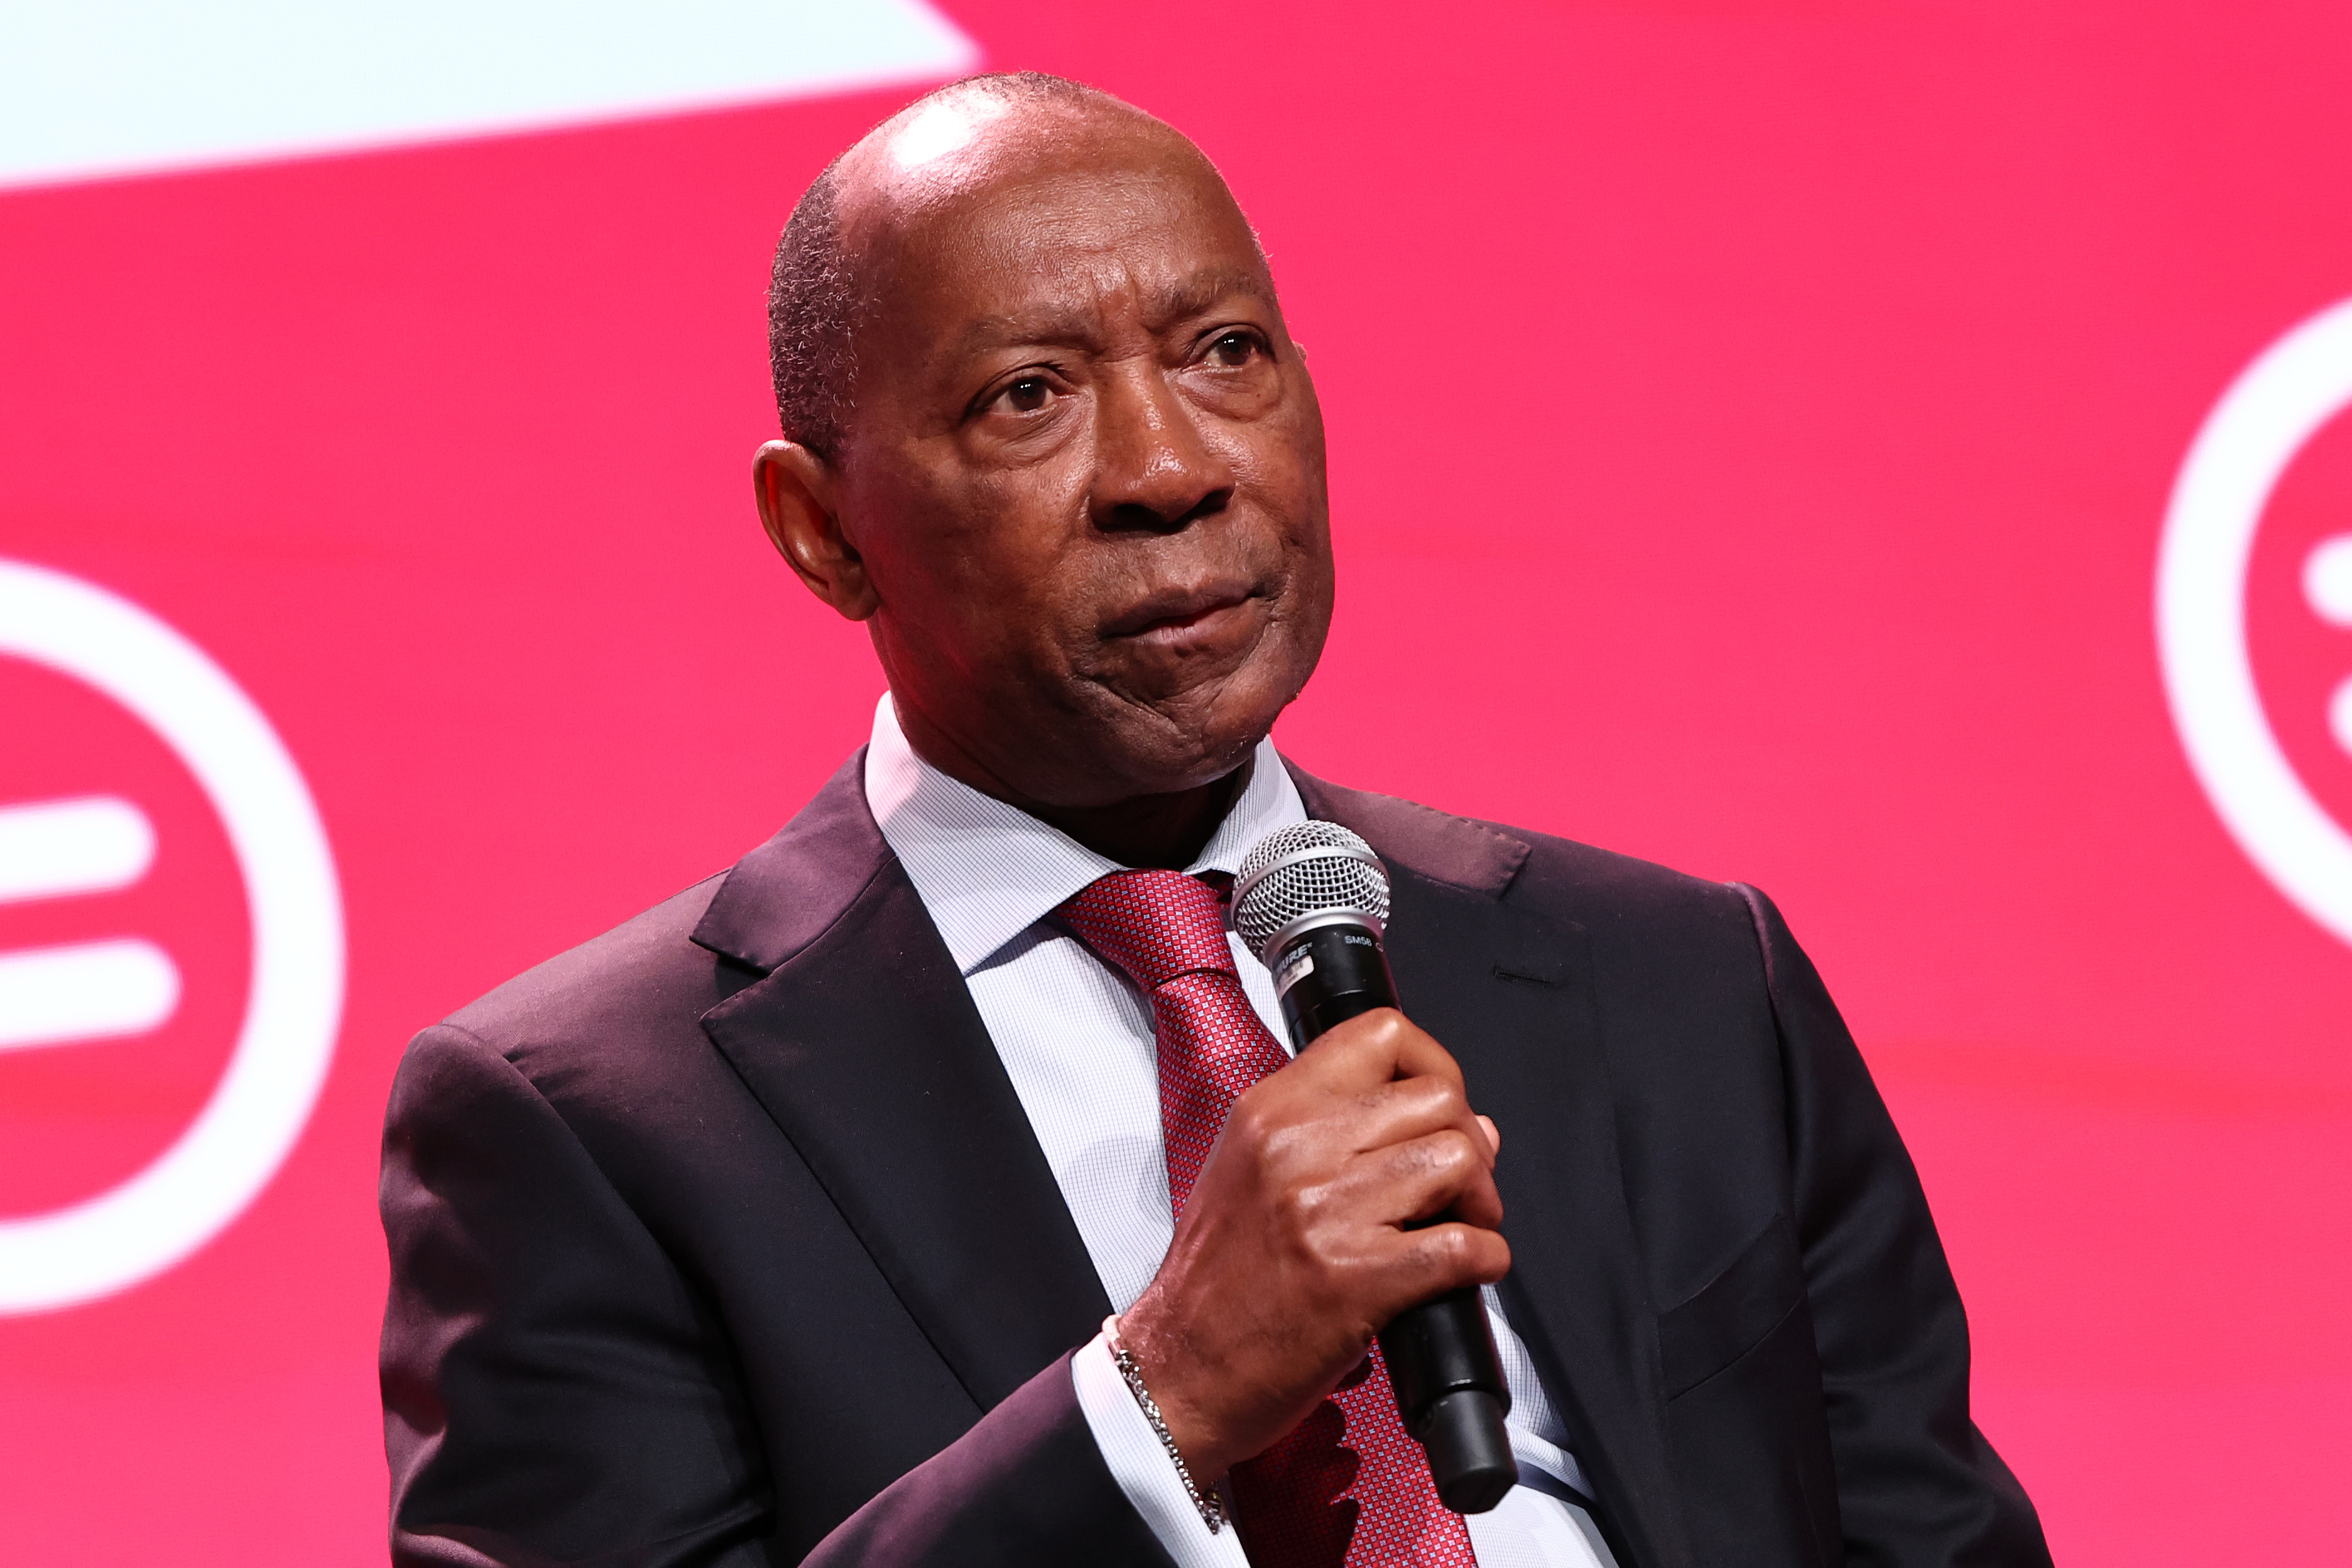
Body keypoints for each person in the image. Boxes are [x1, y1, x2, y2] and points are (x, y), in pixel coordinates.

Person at [379, 72, 2051, 1568]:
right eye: (1028, 397)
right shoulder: (593, 1122)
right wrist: (1158, 1397)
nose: (1172, 467)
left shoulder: (1684, 984)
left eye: (1226, 354)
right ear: (823, 532)